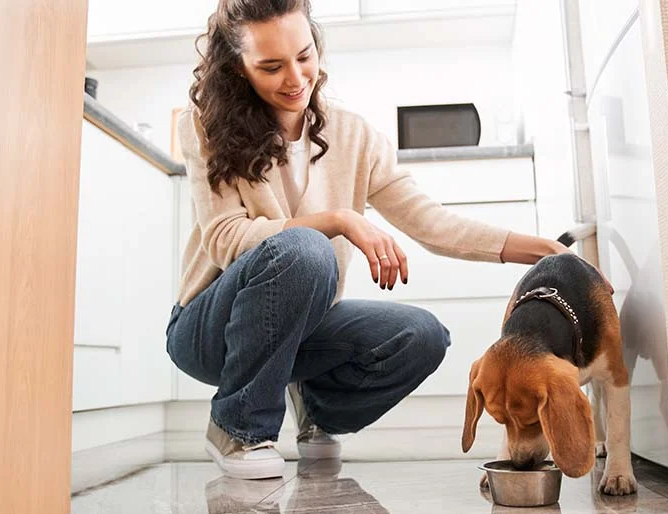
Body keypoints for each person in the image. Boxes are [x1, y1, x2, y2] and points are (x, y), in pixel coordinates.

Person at [165, 0, 581, 480]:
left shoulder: (353, 135)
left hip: (300, 326)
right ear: (239, 70)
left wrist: (547, 251)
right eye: (271, 67)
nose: (296, 77)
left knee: (421, 336)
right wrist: (340, 219)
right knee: (306, 250)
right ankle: (237, 428)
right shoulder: (204, 126)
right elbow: (226, 238)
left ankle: (314, 410)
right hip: (207, 328)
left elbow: (431, 222)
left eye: (304, 55)